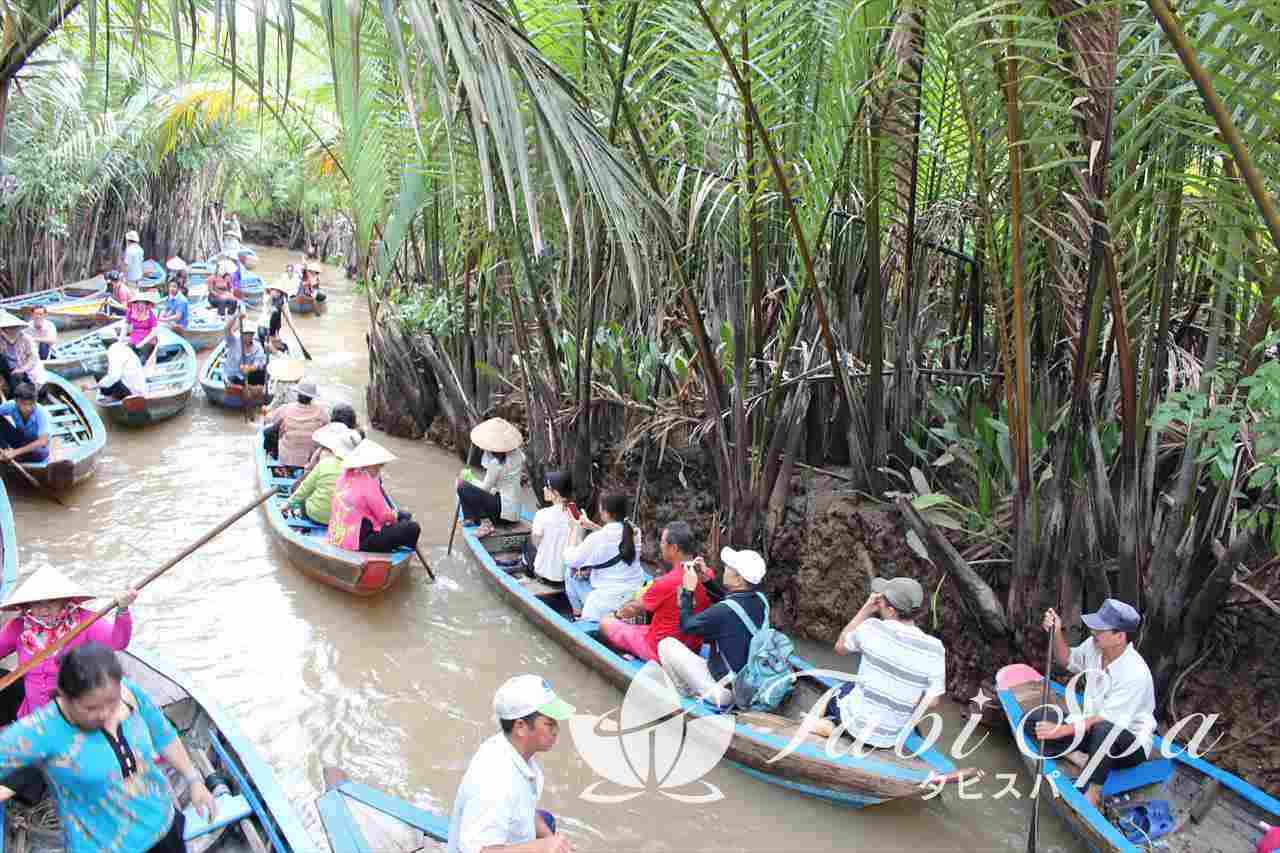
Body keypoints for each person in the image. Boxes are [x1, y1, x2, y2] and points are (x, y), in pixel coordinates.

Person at [0, 643, 216, 852]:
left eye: (112, 703)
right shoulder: (41, 730)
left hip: (163, 828)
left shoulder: (128, 693)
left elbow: (162, 735)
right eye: (91, 708)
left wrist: (193, 779)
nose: (105, 714)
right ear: (65, 697)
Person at [1027, 599, 1156, 808]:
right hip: (1090, 729)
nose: (1093, 632)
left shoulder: (1136, 673)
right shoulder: (1094, 646)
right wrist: (1057, 632)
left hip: (1127, 745)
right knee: (1034, 720)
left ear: (1119, 636)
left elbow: (1105, 720)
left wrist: (1059, 731)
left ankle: (1094, 792)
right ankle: (1078, 757)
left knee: (1103, 730)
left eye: (1100, 629)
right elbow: (1066, 659)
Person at [812, 576, 946, 748]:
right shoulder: (935, 648)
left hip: (856, 727)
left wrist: (866, 610)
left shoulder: (872, 628)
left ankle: (814, 723)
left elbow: (840, 647)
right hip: (890, 739)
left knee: (838, 689)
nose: (878, 600)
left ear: (891, 610)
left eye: (882, 600)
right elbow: (933, 701)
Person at [446, 675, 574, 853]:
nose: (556, 730)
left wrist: (549, 838)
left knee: (547, 822)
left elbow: (524, 809)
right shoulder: (496, 781)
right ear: (521, 727)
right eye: (549, 724)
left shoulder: (513, 750)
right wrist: (541, 847)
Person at [658, 547, 768, 707]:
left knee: (666, 644)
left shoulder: (723, 611)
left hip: (725, 694)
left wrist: (688, 591)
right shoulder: (761, 600)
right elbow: (733, 604)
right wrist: (706, 580)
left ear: (739, 579)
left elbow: (686, 626)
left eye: (729, 567)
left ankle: (686, 697)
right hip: (749, 687)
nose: (725, 568)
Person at [601, 521, 711, 662]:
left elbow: (633, 608)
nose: (661, 545)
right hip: (691, 647)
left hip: (657, 650)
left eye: (663, 542)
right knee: (642, 626)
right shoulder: (707, 576)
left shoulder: (666, 582)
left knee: (605, 623)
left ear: (674, 548)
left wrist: (615, 615)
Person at [562, 492, 645, 622]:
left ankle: (577, 615)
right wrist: (591, 525)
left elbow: (570, 560)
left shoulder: (597, 538)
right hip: (633, 592)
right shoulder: (634, 531)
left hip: (604, 602)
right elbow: (616, 538)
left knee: (570, 572)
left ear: (605, 513)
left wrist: (574, 529)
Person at [328, 439, 422, 553]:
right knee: (412, 528)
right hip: (359, 541)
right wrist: (395, 516)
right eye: (377, 467)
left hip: (337, 536)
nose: (378, 470)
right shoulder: (368, 483)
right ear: (369, 465)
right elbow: (384, 517)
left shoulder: (344, 476)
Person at [456, 418, 527, 534]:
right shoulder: (518, 455)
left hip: (503, 515)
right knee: (468, 485)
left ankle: (485, 523)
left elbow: (485, 489)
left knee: (462, 486)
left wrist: (468, 477)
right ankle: (470, 519)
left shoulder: (495, 464)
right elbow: (499, 484)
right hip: (513, 510)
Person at [288, 423, 360, 525]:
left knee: (302, 490)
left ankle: (302, 517)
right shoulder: (361, 470)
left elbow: (305, 488)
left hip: (315, 515)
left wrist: (287, 505)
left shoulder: (323, 459)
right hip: (341, 520)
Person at [263, 380, 329, 466]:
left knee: (268, 431)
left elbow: (270, 419)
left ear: (298, 395)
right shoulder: (321, 412)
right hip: (310, 458)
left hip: (286, 457)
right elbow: (328, 426)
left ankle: (272, 456)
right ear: (312, 398)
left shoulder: (285, 408)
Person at [524, 471, 574, 583]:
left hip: (543, 573)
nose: (543, 489)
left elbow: (536, 542)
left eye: (547, 486)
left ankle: (528, 574)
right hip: (564, 578)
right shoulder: (577, 516)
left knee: (528, 542)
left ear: (556, 493)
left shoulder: (542, 514)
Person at [221, 312, 268, 400]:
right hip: (234, 374)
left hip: (248, 375)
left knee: (262, 372)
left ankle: (252, 389)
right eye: (246, 333)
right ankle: (246, 389)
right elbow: (226, 329)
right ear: (242, 333)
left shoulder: (257, 347)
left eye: (251, 334)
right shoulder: (234, 341)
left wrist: (249, 368)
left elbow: (259, 362)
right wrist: (236, 316)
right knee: (236, 381)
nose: (249, 336)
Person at [0, 383, 50, 463]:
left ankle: (14, 455)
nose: (28, 408)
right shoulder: (11, 405)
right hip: (21, 441)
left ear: (36, 400)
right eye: (24, 404)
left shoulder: (41, 413)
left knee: (40, 451)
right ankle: (5, 450)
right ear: (16, 401)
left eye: (31, 404)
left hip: (37, 451)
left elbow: (43, 441)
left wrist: (15, 452)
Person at [0, 311, 46, 394]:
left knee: (18, 379)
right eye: (6, 328)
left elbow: (33, 358)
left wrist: (22, 369)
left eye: (13, 328)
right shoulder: (1, 339)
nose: (10, 331)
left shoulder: (27, 339)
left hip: (26, 369)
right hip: (9, 369)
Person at [98, 329, 148, 400]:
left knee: (103, 383)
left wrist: (100, 384)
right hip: (139, 386)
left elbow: (114, 376)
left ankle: (116, 398)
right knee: (106, 378)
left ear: (103, 342)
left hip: (132, 390)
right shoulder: (123, 347)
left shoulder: (113, 350)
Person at [257, 275, 295, 354]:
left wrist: (293, 328)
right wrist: (270, 294)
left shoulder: (283, 303)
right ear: (270, 291)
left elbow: (288, 316)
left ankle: (278, 353)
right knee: (265, 344)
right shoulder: (267, 298)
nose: (276, 293)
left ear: (281, 294)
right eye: (274, 290)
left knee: (274, 345)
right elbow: (268, 300)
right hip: (262, 325)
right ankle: (271, 350)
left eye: (278, 292)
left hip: (274, 328)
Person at [126, 292, 160, 365]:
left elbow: (154, 332)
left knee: (142, 359)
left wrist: (142, 342)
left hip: (148, 339)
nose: (140, 305)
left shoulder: (150, 314)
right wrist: (120, 340)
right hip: (135, 338)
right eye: (138, 303)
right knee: (127, 355)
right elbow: (125, 326)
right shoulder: (131, 312)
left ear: (146, 304)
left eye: (143, 303)